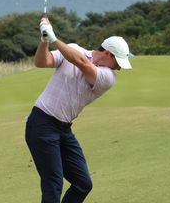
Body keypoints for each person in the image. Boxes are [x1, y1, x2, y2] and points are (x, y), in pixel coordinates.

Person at [25, 17, 131, 203]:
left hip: (63, 129)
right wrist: (44, 41)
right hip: (41, 123)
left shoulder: (108, 77)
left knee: (83, 183)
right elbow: (42, 62)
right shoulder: (74, 50)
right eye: (118, 62)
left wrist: (54, 39)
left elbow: (82, 63)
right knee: (53, 184)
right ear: (108, 53)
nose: (119, 68)